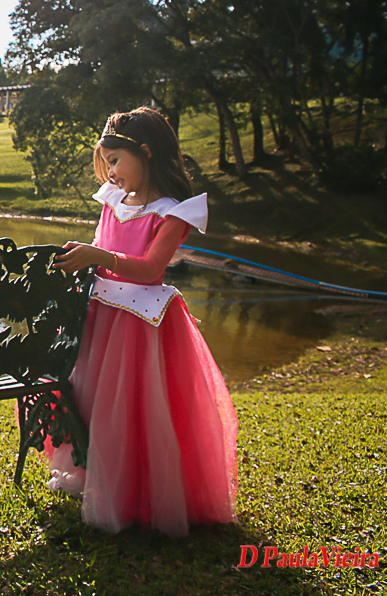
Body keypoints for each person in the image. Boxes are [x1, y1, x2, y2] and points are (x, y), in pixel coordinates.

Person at [47, 106, 238, 537]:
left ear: (146, 152)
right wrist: (84, 258)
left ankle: (138, 492)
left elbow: (151, 268)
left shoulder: (174, 213)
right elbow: (98, 247)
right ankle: (92, 475)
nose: (110, 171)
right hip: (102, 317)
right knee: (96, 403)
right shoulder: (112, 201)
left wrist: (99, 256)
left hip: (142, 326)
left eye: (115, 160)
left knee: (137, 408)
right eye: (107, 162)